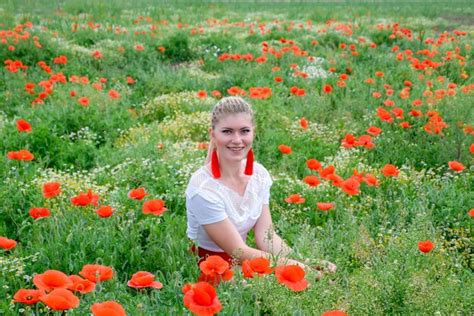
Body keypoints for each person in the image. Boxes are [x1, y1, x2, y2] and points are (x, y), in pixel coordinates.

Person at [185, 96, 336, 275]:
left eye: (244, 131)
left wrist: (302, 261)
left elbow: (266, 236)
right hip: (215, 269)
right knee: (289, 282)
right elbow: (238, 251)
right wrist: (297, 269)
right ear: (213, 135)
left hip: (247, 260)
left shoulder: (259, 175)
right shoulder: (203, 189)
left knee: (303, 278)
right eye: (227, 131)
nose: (237, 139)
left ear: (253, 133)